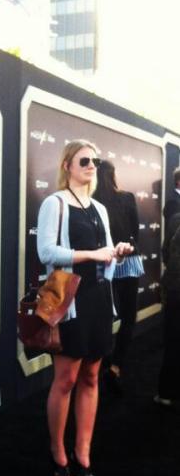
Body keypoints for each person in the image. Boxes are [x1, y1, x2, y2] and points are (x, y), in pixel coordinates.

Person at [37, 140, 133, 476]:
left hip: (97, 299)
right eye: (85, 160)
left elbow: (105, 253)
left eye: (95, 160)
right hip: (71, 301)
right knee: (65, 380)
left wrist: (115, 253)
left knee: (92, 377)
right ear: (68, 166)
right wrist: (93, 254)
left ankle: (83, 452)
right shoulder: (55, 203)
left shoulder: (100, 208)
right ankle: (57, 451)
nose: (92, 165)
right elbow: (47, 251)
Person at [93, 160, 144, 395]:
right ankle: (115, 365)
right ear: (113, 175)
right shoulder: (127, 198)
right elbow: (135, 233)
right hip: (128, 262)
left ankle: (103, 363)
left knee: (103, 317)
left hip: (104, 262)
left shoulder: (92, 201)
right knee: (128, 317)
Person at [154, 211, 180, 411]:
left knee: (172, 341)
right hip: (174, 287)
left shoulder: (175, 218)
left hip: (173, 287)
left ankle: (166, 393)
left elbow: (165, 252)